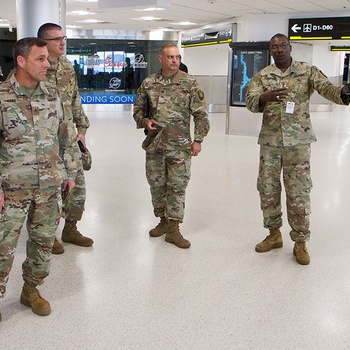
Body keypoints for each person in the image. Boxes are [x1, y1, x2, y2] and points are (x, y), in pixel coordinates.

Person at [245, 33, 350, 265]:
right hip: (270, 144)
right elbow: (250, 101)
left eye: (283, 46)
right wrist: (265, 96)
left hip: (298, 144)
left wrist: (343, 93)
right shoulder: (263, 76)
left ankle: (300, 242)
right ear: (270, 51)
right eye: (275, 47)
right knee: (268, 189)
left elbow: (326, 88)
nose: (279, 50)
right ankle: (273, 234)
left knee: (298, 193)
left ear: (290, 47)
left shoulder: (306, 71)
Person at [0, 37, 77, 321]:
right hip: (12, 189)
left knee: (43, 242)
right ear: (21, 61)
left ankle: (31, 289)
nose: (48, 64)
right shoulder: (2, 96)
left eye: (48, 58)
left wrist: (69, 172)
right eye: (40, 59)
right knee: (3, 245)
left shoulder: (52, 93)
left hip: (49, 186)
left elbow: (64, 135)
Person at [133, 43, 210, 249]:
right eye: (170, 57)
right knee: (156, 184)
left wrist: (198, 140)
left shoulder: (189, 83)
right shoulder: (149, 83)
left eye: (177, 57)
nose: (174, 60)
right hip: (155, 144)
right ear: (161, 59)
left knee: (177, 186)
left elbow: (201, 115)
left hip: (180, 146)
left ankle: (174, 229)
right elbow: (138, 109)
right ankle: (163, 220)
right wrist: (144, 121)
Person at [37, 23, 93, 254]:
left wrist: (82, 127)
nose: (62, 42)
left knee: (77, 186)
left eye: (64, 37)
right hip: (46, 140)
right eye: (56, 39)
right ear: (43, 43)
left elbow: (75, 98)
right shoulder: (36, 68)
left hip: (70, 138)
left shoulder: (66, 66)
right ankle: (49, 235)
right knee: (51, 189)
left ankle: (71, 228)